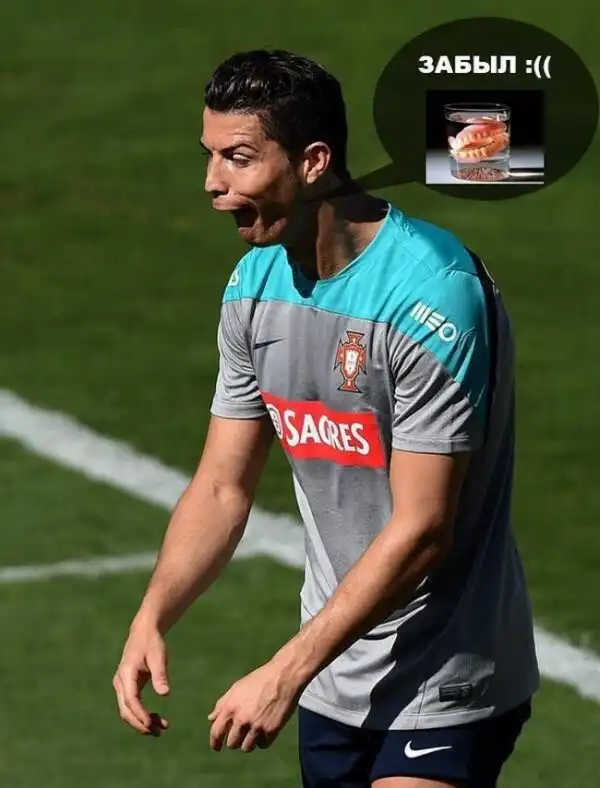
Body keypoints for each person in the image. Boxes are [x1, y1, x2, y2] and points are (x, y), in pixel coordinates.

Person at [113, 49, 540, 788]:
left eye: (237, 158)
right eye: (209, 156)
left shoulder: (431, 297)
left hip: (449, 672)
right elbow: (221, 486)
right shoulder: (254, 285)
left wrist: (285, 670)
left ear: (313, 163)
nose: (212, 183)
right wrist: (152, 614)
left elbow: (423, 529)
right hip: (335, 678)